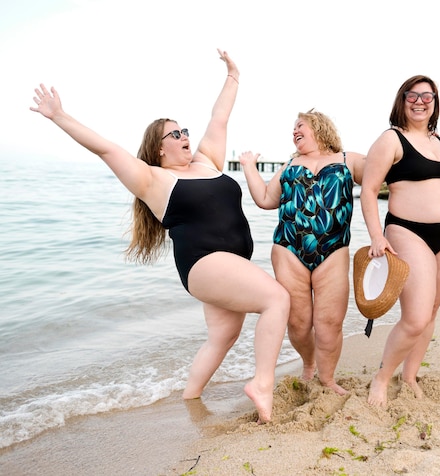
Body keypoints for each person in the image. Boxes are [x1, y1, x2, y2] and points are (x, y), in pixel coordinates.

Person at [30, 49, 290, 423]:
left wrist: (233, 75)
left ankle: (190, 401)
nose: (185, 136)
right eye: (176, 133)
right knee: (276, 299)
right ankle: (261, 384)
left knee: (223, 335)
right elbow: (105, 147)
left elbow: (220, 116)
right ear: (159, 148)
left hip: (229, 264)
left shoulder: (206, 161)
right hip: (203, 263)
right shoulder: (153, 180)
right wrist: (59, 116)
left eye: (184, 130)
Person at [360, 76, 440, 406]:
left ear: (435, 102)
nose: (421, 101)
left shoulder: (438, 139)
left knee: (433, 310)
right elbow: (368, 190)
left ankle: (409, 375)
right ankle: (381, 379)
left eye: (428, 96)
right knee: (416, 317)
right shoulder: (390, 139)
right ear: (403, 100)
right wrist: (376, 236)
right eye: (414, 95)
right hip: (407, 231)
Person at [239, 109, 364, 395]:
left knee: (329, 322)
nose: (295, 131)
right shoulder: (289, 164)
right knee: (298, 322)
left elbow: (381, 175)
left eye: (300, 126)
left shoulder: (348, 159)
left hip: (333, 250)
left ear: (318, 127)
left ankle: (328, 378)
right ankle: (309, 363)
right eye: (293, 128)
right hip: (289, 249)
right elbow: (265, 200)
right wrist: (248, 166)